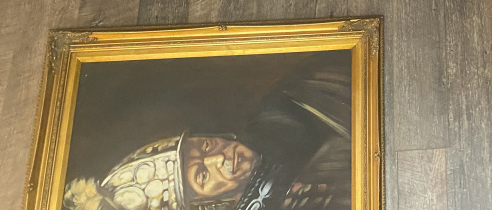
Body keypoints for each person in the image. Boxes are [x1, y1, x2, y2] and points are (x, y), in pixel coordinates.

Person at [63, 55, 351, 210]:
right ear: (203, 205)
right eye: (202, 175)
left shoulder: (292, 104)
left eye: (205, 146)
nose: (219, 158)